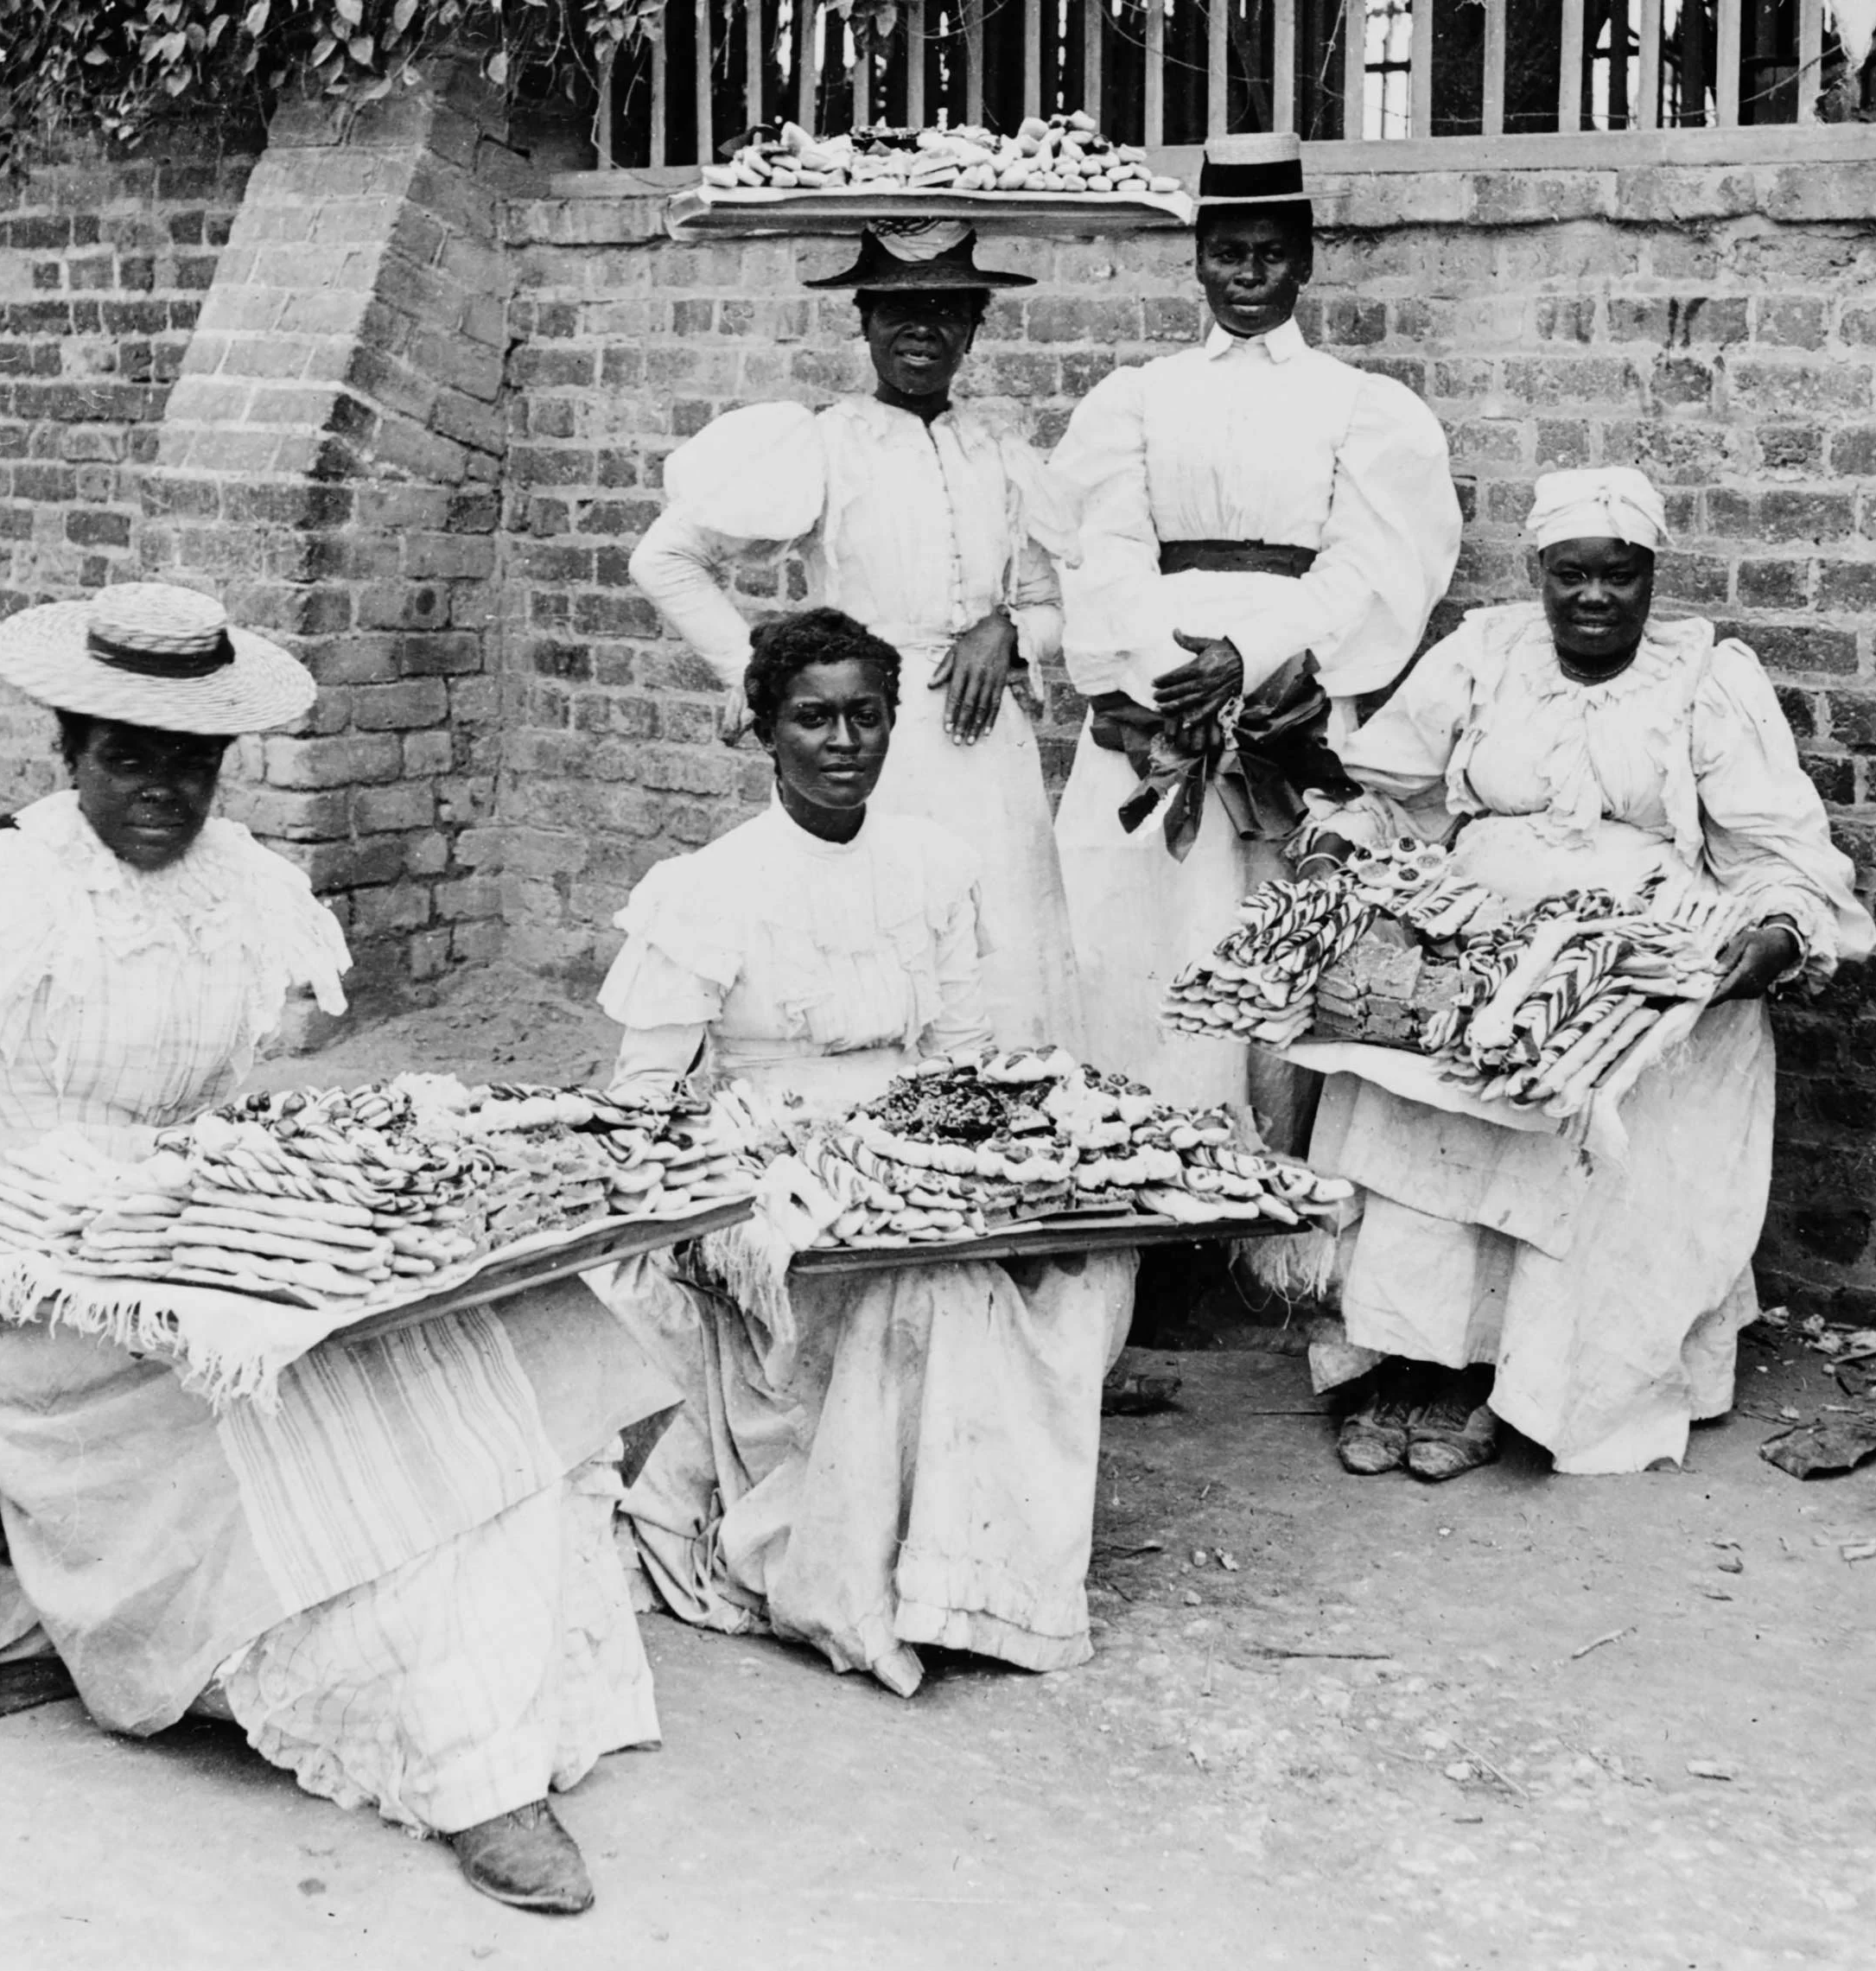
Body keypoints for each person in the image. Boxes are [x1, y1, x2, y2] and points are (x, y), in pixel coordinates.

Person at [0, 582, 669, 1915]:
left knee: (450, 1341)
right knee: (307, 1421)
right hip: (13, 1292)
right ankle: (468, 1775)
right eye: (127, 756)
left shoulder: (250, 895)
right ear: (67, 755)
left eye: (191, 761)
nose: (163, 791)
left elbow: (223, 1106)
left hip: (171, 1240)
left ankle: (491, 1708)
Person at [591, 609, 1135, 1696]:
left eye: (867, 718)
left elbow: (963, 1059)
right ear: (763, 733)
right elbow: (645, 1104)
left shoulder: (935, 865)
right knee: (909, 1295)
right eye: (812, 719)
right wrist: (759, 1182)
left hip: (916, 1148)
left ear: (895, 727)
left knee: (1071, 1270)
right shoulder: (708, 886)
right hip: (769, 1171)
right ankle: (852, 1585)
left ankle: (978, 1579)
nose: (842, 743)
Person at [1297, 467, 1874, 1478]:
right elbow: (1392, 799)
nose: (1595, 598)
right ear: (1539, 572)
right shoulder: (1483, 656)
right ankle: (1418, 1361)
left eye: (1621, 576)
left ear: (1652, 577)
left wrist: (1778, 934)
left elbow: (1780, 852)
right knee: (1425, 1078)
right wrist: (1338, 854)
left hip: (1630, 953)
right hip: (1481, 938)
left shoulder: (1702, 678)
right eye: (1571, 576)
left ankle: (1519, 1381)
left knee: (1598, 1085)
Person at [1049, 132, 1461, 1134]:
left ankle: (1264, 1198)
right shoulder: (1139, 398)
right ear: (1197, 256)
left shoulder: (1358, 407)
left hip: (1289, 699)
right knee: (1138, 934)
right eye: (1228, 251)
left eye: (1270, 252)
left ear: (1306, 259)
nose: (1247, 274)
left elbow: (1374, 569)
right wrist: (1161, 664)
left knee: (1271, 938)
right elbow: (1098, 546)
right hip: (1163, 699)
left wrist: (1254, 657)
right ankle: (1141, 1181)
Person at [628, 223, 1086, 1053]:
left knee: (996, 961)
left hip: (986, 754)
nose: (925, 329)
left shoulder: (1002, 452)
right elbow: (665, 558)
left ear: (977, 324)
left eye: (949, 308)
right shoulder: (824, 444)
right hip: (868, 738)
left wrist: (1010, 632)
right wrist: (757, 675)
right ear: (865, 319)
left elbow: (1063, 606)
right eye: (901, 309)